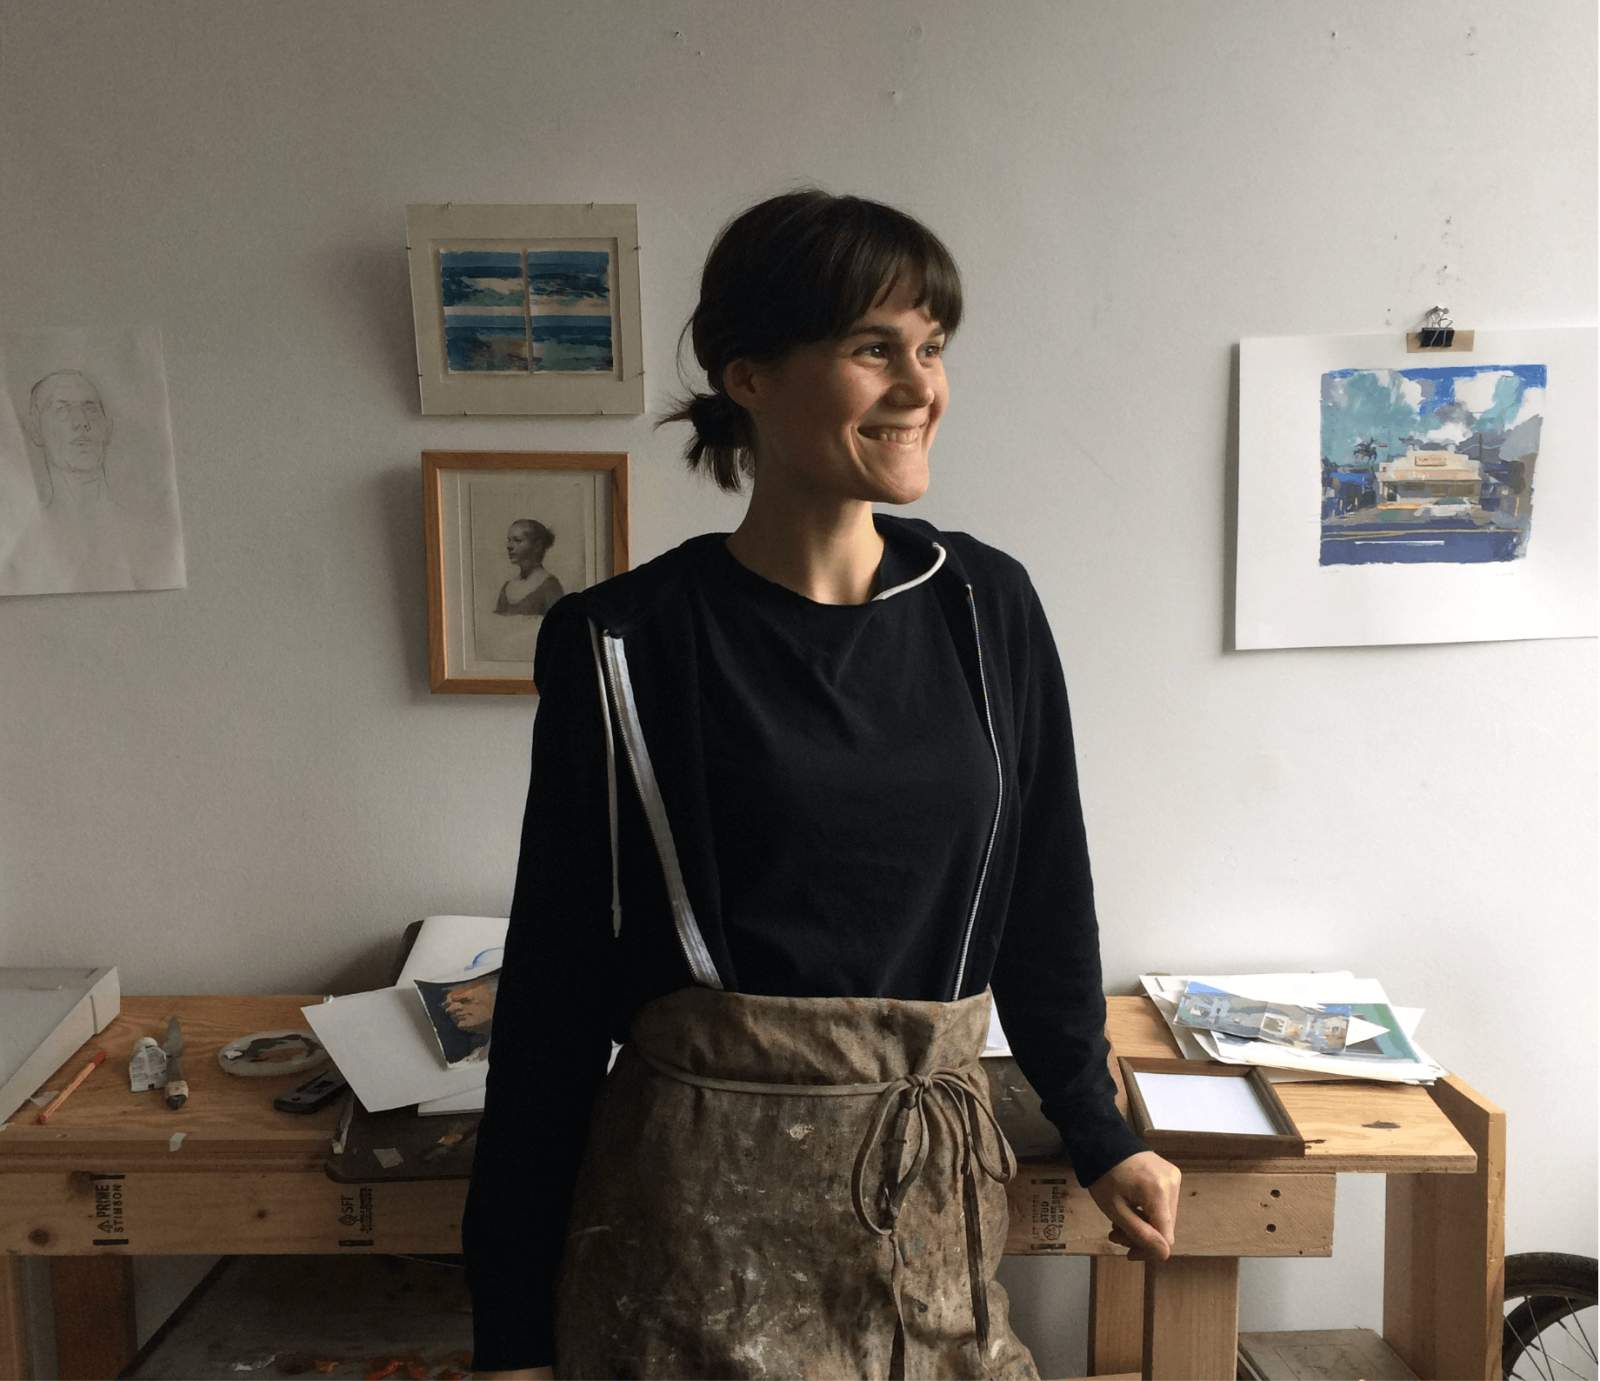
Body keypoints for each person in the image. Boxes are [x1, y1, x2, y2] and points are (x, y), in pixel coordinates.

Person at [464, 190, 1181, 1381]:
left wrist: (1102, 1135)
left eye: (932, 346)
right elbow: (550, 994)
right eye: (871, 348)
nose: (919, 385)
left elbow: (1045, 904)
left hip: (931, 1209)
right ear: (747, 375)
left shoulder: (984, 606)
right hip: (692, 1225)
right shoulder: (624, 640)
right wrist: (510, 1333)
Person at [26, 369, 113, 510]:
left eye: (91, 410)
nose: (82, 422)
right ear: (36, 431)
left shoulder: (139, 524)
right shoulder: (29, 529)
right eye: (62, 410)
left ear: (108, 428)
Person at [494, 519, 563, 616]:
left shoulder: (550, 586)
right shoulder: (506, 588)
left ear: (537, 546)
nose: (509, 546)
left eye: (518, 540)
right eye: (509, 540)